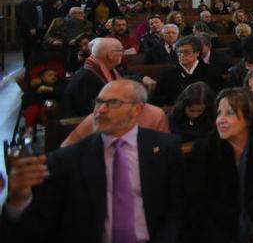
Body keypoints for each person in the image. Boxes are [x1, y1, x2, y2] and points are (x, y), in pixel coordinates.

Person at [3, 80, 184, 241]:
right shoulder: (66, 160)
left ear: (137, 109)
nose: (100, 110)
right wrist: (20, 199)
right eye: (99, 102)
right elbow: (37, 227)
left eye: (113, 103)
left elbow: (177, 207)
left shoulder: (165, 148)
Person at [184, 88, 253, 241]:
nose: (220, 120)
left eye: (229, 113)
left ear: (250, 117)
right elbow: (197, 208)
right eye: (219, 113)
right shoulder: (204, 151)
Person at [152, 35, 227, 107]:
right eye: (179, 52)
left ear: (197, 53)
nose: (182, 55)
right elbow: (156, 100)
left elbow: (218, 97)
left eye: (186, 52)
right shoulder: (166, 74)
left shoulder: (212, 72)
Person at [63, 37, 127, 117]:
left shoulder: (109, 69)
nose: (122, 53)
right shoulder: (88, 78)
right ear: (110, 55)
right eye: (120, 51)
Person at [16, 0, 45, 66]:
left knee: (36, 47)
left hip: (38, 29)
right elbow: (24, 17)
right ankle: (27, 63)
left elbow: (39, 14)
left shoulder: (38, 3)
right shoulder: (25, 4)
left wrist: (43, 23)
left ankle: (35, 62)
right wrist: (31, 27)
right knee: (28, 47)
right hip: (29, 30)